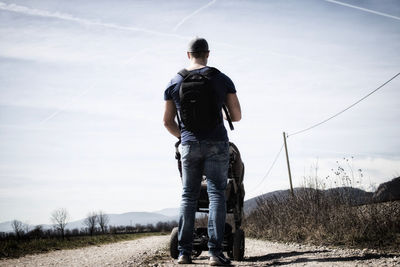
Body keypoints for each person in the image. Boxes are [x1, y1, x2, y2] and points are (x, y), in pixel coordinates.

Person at [163, 37, 241, 266]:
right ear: (208, 53)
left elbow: (167, 122)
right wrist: (222, 114)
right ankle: (215, 254)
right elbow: (236, 116)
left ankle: (184, 253)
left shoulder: (175, 81)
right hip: (217, 143)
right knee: (217, 193)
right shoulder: (221, 78)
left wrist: (185, 137)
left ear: (188, 54)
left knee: (189, 195)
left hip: (188, 143)